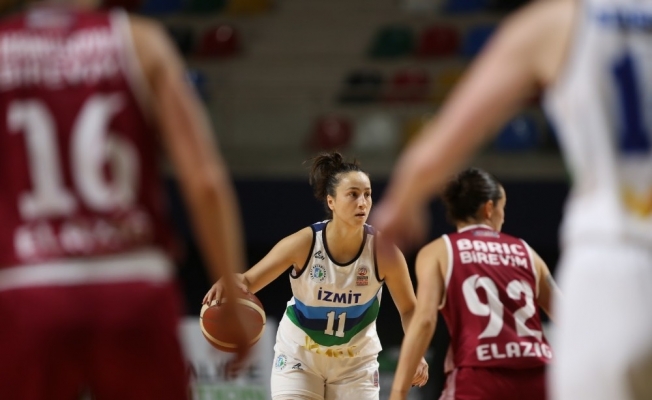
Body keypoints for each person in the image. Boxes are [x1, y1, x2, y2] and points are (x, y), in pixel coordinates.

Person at [371, 0, 652, 399]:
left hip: (613, 258)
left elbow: (434, 153)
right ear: (490, 207)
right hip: (533, 372)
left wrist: (403, 202)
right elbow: (563, 314)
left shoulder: (558, 20)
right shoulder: (526, 253)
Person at [0, 0, 252, 398]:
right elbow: (205, 181)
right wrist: (234, 299)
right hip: (133, 284)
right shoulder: (140, 41)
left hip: (27, 286)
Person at [204, 151, 429, 400]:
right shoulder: (304, 243)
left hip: (356, 363)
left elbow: (409, 308)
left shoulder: (384, 252)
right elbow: (248, 281)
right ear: (331, 201)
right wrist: (232, 281)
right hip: (300, 356)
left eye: (367, 194)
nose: (362, 202)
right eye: (353, 194)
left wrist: (417, 352)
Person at [388, 168, 558, 400]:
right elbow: (568, 315)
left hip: (479, 376)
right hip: (538, 378)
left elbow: (425, 321)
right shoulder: (526, 252)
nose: (503, 216)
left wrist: (398, 392)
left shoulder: (439, 251)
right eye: (502, 208)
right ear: (489, 208)